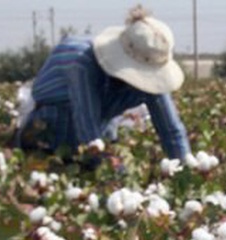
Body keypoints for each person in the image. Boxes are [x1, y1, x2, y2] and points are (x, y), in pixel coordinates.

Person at [17, 6, 191, 166]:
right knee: (96, 163)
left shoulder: (148, 56)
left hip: (101, 120)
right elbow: (86, 124)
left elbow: (171, 130)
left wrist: (185, 167)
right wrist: (107, 167)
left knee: (113, 155)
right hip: (51, 120)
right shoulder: (81, 62)